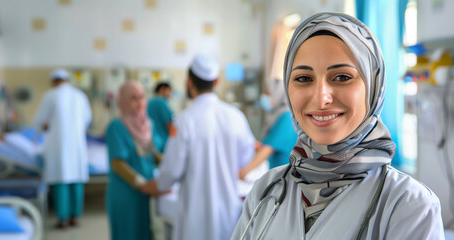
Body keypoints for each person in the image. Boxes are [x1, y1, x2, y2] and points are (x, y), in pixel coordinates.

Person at [232, 12, 444, 240]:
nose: (321, 98)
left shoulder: (409, 205)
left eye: (342, 77)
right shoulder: (265, 190)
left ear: (373, 87)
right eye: (304, 78)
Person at [141, 54, 256, 240]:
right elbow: (245, 159)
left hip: (195, 217)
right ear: (217, 81)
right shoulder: (236, 117)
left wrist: (157, 185)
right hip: (229, 214)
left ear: (188, 82)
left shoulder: (185, 120)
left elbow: (171, 172)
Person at [33, 69, 92, 229]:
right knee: (76, 180)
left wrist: (44, 125)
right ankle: (75, 217)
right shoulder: (80, 95)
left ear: (53, 81)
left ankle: (63, 219)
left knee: (60, 180)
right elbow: (87, 119)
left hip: (58, 145)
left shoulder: (50, 95)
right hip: (77, 145)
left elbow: (39, 120)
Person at [104, 81, 162, 240]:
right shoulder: (116, 127)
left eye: (142, 97)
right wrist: (141, 184)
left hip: (147, 191)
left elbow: (151, 153)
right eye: (133, 98)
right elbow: (117, 164)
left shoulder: (147, 125)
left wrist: (172, 166)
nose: (139, 102)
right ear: (122, 101)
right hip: (127, 193)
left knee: (145, 233)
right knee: (128, 234)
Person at [239, 79, 298, 179]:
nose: (264, 96)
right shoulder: (278, 115)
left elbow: (266, 150)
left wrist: (242, 173)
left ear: (277, 94)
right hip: (279, 174)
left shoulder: (286, 117)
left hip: (286, 176)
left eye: (267, 93)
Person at [147, 82, 174, 152]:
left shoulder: (148, 102)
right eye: (170, 90)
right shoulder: (162, 102)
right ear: (162, 90)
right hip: (163, 142)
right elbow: (170, 126)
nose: (171, 93)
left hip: (150, 141)